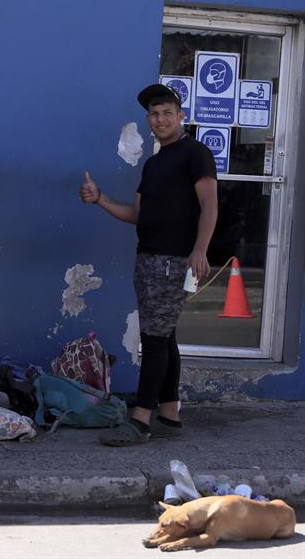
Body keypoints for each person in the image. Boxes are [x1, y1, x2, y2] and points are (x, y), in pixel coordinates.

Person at [80, 83, 218, 446]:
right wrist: (100, 200)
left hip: (174, 261)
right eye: (154, 115)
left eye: (167, 113)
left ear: (181, 116)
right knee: (164, 336)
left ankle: (141, 418)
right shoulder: (154, 163)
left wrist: (200, 250)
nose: (160, 120)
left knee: (153, 340)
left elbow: (210, 205)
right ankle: (169, 415)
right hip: (148, 259)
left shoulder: (195, 153)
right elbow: (135, 214)